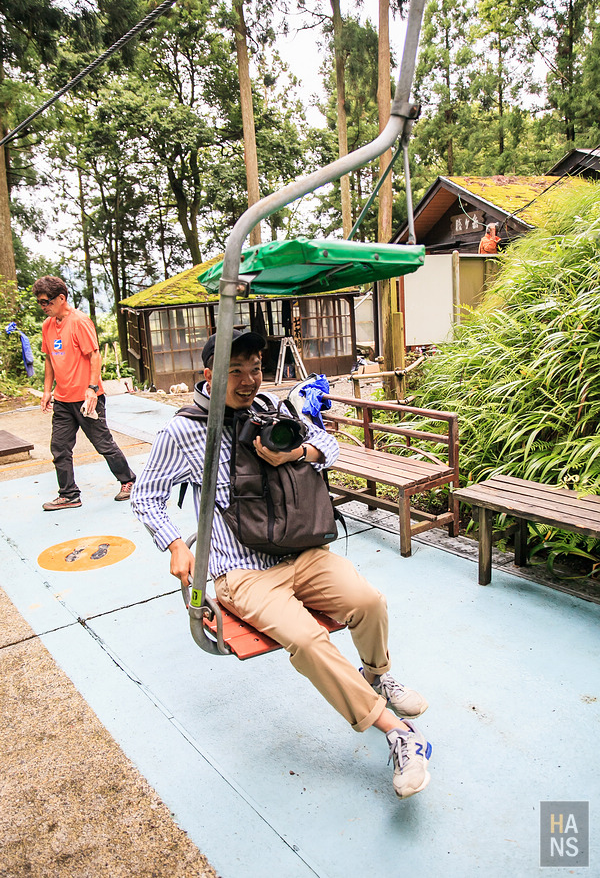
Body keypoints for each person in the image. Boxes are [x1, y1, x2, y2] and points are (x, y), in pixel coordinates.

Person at [131, 329, 432, 799]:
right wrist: (174, 543)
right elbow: (147, 495)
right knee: (308, 641)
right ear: (208, 373)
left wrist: (298, 453)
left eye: (255, 369)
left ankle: (376, 675)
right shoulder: (184, 430)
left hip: (302, 553)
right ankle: (398, 733)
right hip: (244, 572)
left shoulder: (272, 410)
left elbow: (328, 445)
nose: (250, 380)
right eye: (236, 371)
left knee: (368, 601)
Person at [33, 275, 136, 511]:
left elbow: (94, 355)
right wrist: (47, 391)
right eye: (40, 303)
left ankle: (128, 481)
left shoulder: (79, 321)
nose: (43, 307)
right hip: (62, 399)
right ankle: (69, 494)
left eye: (46, 302)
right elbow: (49, 359)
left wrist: (92, 389)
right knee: (59, 448)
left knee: (103, 444)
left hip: (87, 399)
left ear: (61, 298)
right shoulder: (48, 326)